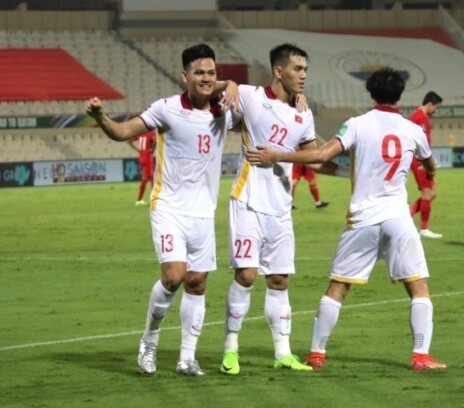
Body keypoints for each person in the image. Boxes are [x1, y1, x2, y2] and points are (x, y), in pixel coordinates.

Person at [246, 68, 446, 372]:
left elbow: (321, 155)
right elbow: (430, 163)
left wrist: (277, 155)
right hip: (398, 218)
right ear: (400, 95)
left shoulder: (357, 124)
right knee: (418, 286)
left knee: (338, 286)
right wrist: (430, 172)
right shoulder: (412, 130)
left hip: (362, 218)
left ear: (371, 93)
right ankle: (420, 355)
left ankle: (316, 353)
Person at [86, 44, 240, 376]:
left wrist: (233, 86)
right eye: (198, 73)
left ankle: (187, 357)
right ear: (185, 76)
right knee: (174, 276)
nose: (205, 78)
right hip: (168, 207)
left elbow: (265, 107)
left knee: (197, 283)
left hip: (203, 213)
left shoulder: (225, 110)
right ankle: (149, 341)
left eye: (211, 73)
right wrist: (101, 117)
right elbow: (123, 132)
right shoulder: (166, 109)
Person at [220, 43, 318, 375]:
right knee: (246, 275)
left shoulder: (304, 112)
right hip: (247, 200)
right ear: (279, 71)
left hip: (281, 207)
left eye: (305, 70)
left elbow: (313, 156)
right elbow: (208, 90)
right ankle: (230, 348)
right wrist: (228, 84)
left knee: (278, 279)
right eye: (297, 69)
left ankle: (283, 353)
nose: (303, 75)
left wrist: (281, 156)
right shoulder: (249, 95)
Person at [409, 91, 443, 239]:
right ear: (430, 104)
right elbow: (419, 144)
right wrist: (427, 163)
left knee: (432, 192)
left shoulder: (418, 117)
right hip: (418, 160)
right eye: (436, 107)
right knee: (427, 193)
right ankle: (424, 228)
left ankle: (407, 216)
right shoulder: (419, 118)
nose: (436, 110)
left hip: (421, 159)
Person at [128, 129, 156, 205]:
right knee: (147, 178)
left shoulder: (140, 132)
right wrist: (152, 149)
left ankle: (153, 199)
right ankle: (140, 200)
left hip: (141, 156)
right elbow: (155, 140)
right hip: (147, 157)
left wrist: (138, 149)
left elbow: (129, 141)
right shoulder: (151, 133)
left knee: (152, 177)